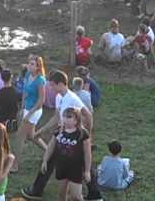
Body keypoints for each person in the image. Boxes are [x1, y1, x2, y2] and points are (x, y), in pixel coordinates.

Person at [22, 70, 102, 201]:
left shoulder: (72, 98)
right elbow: (56, 117)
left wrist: (87, 136)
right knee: (50, 159)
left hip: (74, 138)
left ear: (60, 84)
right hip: (62, 135)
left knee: (83, 162)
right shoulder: (59, 97)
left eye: (52, 85)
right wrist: (41, 131)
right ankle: (37, 189)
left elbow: (88, 114)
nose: (50, 88)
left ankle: (95, 194)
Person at [40, 107, 91, 201]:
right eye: (64, 116)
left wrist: (87, 171)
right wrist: (45, 160)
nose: (65, 119)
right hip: (61, 166)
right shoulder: (59, 130)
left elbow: (87, 153)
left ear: (76, 120)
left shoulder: (82, 133)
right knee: (61, 194)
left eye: (69, 117)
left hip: (75, 168)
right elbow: (51, 146)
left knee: (76, 196)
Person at [13, 56, 47, 172]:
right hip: (27, 108)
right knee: (31, 136)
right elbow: (25, 92)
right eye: (29, 63)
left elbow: (41, 100)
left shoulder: (40, 80)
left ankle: (15, 165)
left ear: (38, 67)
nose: (30, 66)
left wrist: (29, 114)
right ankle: (48, 151)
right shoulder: (28, 75)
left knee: (19, 136)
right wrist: (22, 107)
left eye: (33, 64)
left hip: (35, 110)